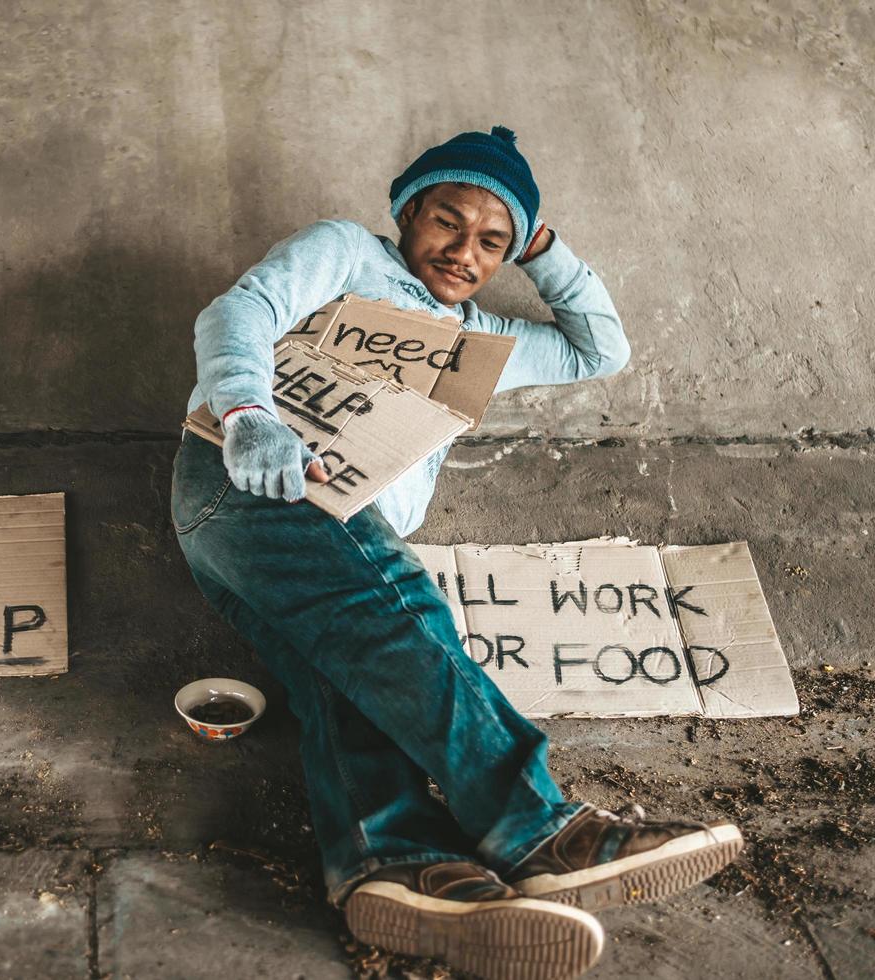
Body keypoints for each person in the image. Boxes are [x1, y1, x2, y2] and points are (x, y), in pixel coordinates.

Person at [170, 127, 742, 980]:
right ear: (406, 214)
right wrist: (252, 413)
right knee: (402, 615)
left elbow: (601, 350)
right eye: (445, 222)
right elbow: (238, 311)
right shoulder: (347, 253)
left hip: (296, 534)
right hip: (257, 480)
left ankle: (394, 869)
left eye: (491, 241)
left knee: (349, 678)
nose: (463, 251)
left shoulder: (478, 344)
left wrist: (542, 242)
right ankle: (538, 827)